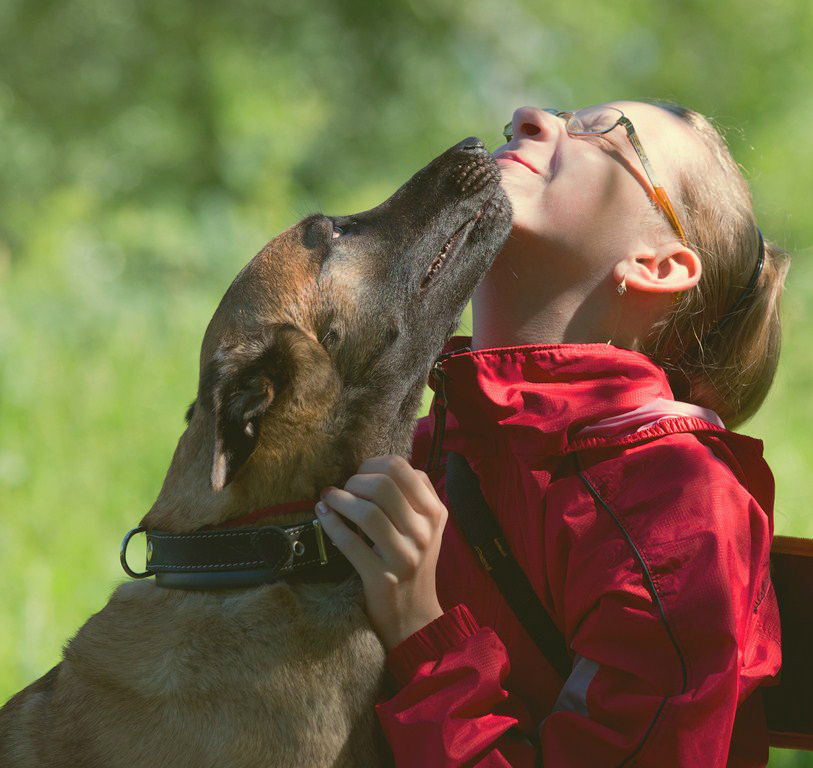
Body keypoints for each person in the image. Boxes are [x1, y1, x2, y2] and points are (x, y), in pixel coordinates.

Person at [314, 102, 788, 767]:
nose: (528, 116)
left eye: (602, 135)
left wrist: (420, 632)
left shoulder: (682, 508)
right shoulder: (423, 446)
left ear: (657, 266)